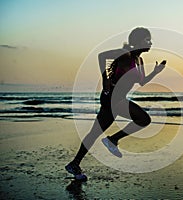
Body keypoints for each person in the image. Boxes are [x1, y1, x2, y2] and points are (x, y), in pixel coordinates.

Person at [65, 27, 166, 178]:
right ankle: (112, 139)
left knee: (94, 133)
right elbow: (101, 56)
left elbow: (142, 82)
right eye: (147, 39)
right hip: (111, 97)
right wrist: (105, 78)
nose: (150, 42)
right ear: (138, 41)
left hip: (117, 99)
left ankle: (74, 164)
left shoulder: (140, 60)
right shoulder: (125, 54)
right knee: (144, 119)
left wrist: (155, 72)